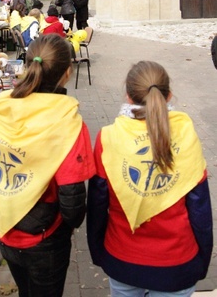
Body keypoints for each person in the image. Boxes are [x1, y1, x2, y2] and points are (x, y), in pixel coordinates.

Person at [87, 60, 213, 297]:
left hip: (122, 256)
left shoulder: (108, 138)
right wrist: (202, 259)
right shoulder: (186, 135)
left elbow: (97, 204)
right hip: (177, 262)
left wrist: (98, 251)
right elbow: (200, 209)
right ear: (169, 96)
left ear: (128, 96)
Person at [0, 34, 96, 297]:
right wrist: (67, 228)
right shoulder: (68, 123)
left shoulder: (2, 109)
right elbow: (72, 203)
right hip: (45, 239)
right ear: (68, 72)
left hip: (5, 226)